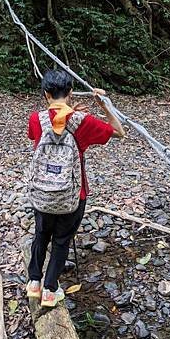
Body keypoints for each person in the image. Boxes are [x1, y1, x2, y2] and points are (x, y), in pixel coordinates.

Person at [26, 69, 125, 307]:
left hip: (41, 192)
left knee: (41, 235)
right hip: (73, 194)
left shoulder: (35, 118)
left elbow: (36, 138)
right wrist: (103, 105)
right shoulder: (84, 122)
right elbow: (120, 132)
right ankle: (50, 290)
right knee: (61, 241)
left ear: (46, 94)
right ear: (70, 92)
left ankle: (34, 282)